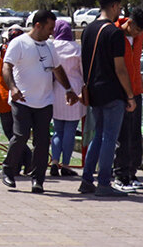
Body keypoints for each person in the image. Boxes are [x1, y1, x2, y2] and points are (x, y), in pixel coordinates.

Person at [0, 10, 78, 194]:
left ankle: (38, 179)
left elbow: (58, 69)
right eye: (49, 28)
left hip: (45, 101)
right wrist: (13, 88)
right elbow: (6, 66)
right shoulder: (19, 43)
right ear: (38, 25)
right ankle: (8, 170)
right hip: (22, 100)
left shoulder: (50, 46)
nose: (52, 32)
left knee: (43, 141)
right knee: (21, 135)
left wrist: (68, 89)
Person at [78, 0, 136, 197]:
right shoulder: (114, 33)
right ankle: (103, 182)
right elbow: (120, 68)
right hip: (112, 91)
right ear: (113, 7)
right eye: (119, 7)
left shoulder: (88, 30)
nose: (120, 11)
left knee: (99, 135)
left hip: (93, 90)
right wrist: (130, 95)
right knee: (110, 138)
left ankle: (86, 179)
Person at [114, 7, 143, 191]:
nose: (139, 33)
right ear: (129, 22)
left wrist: (141, 83)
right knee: (122, 135)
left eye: (142, 31)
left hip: (136, 90)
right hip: (120, 92)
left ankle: (132, 172)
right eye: (137, 29)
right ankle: (120, 175)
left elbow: (135, 63)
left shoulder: (138, 38)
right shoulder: (114, 33)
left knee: (134, 134)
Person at [48, 20, 83, 177]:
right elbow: (83, 71)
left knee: (57, 130)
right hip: (74, 89)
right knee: (70, 129)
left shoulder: (51, 46)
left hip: (55, 88)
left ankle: (54, 161)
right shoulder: (76, 48)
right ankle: (66, 164)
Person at [0, 25, 25, 171]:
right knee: (18, 133)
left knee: (10, 133)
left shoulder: (0, 51)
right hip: (21, 97)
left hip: (4, 97)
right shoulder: (24, 51)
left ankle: (22, 161)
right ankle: (21, 162)